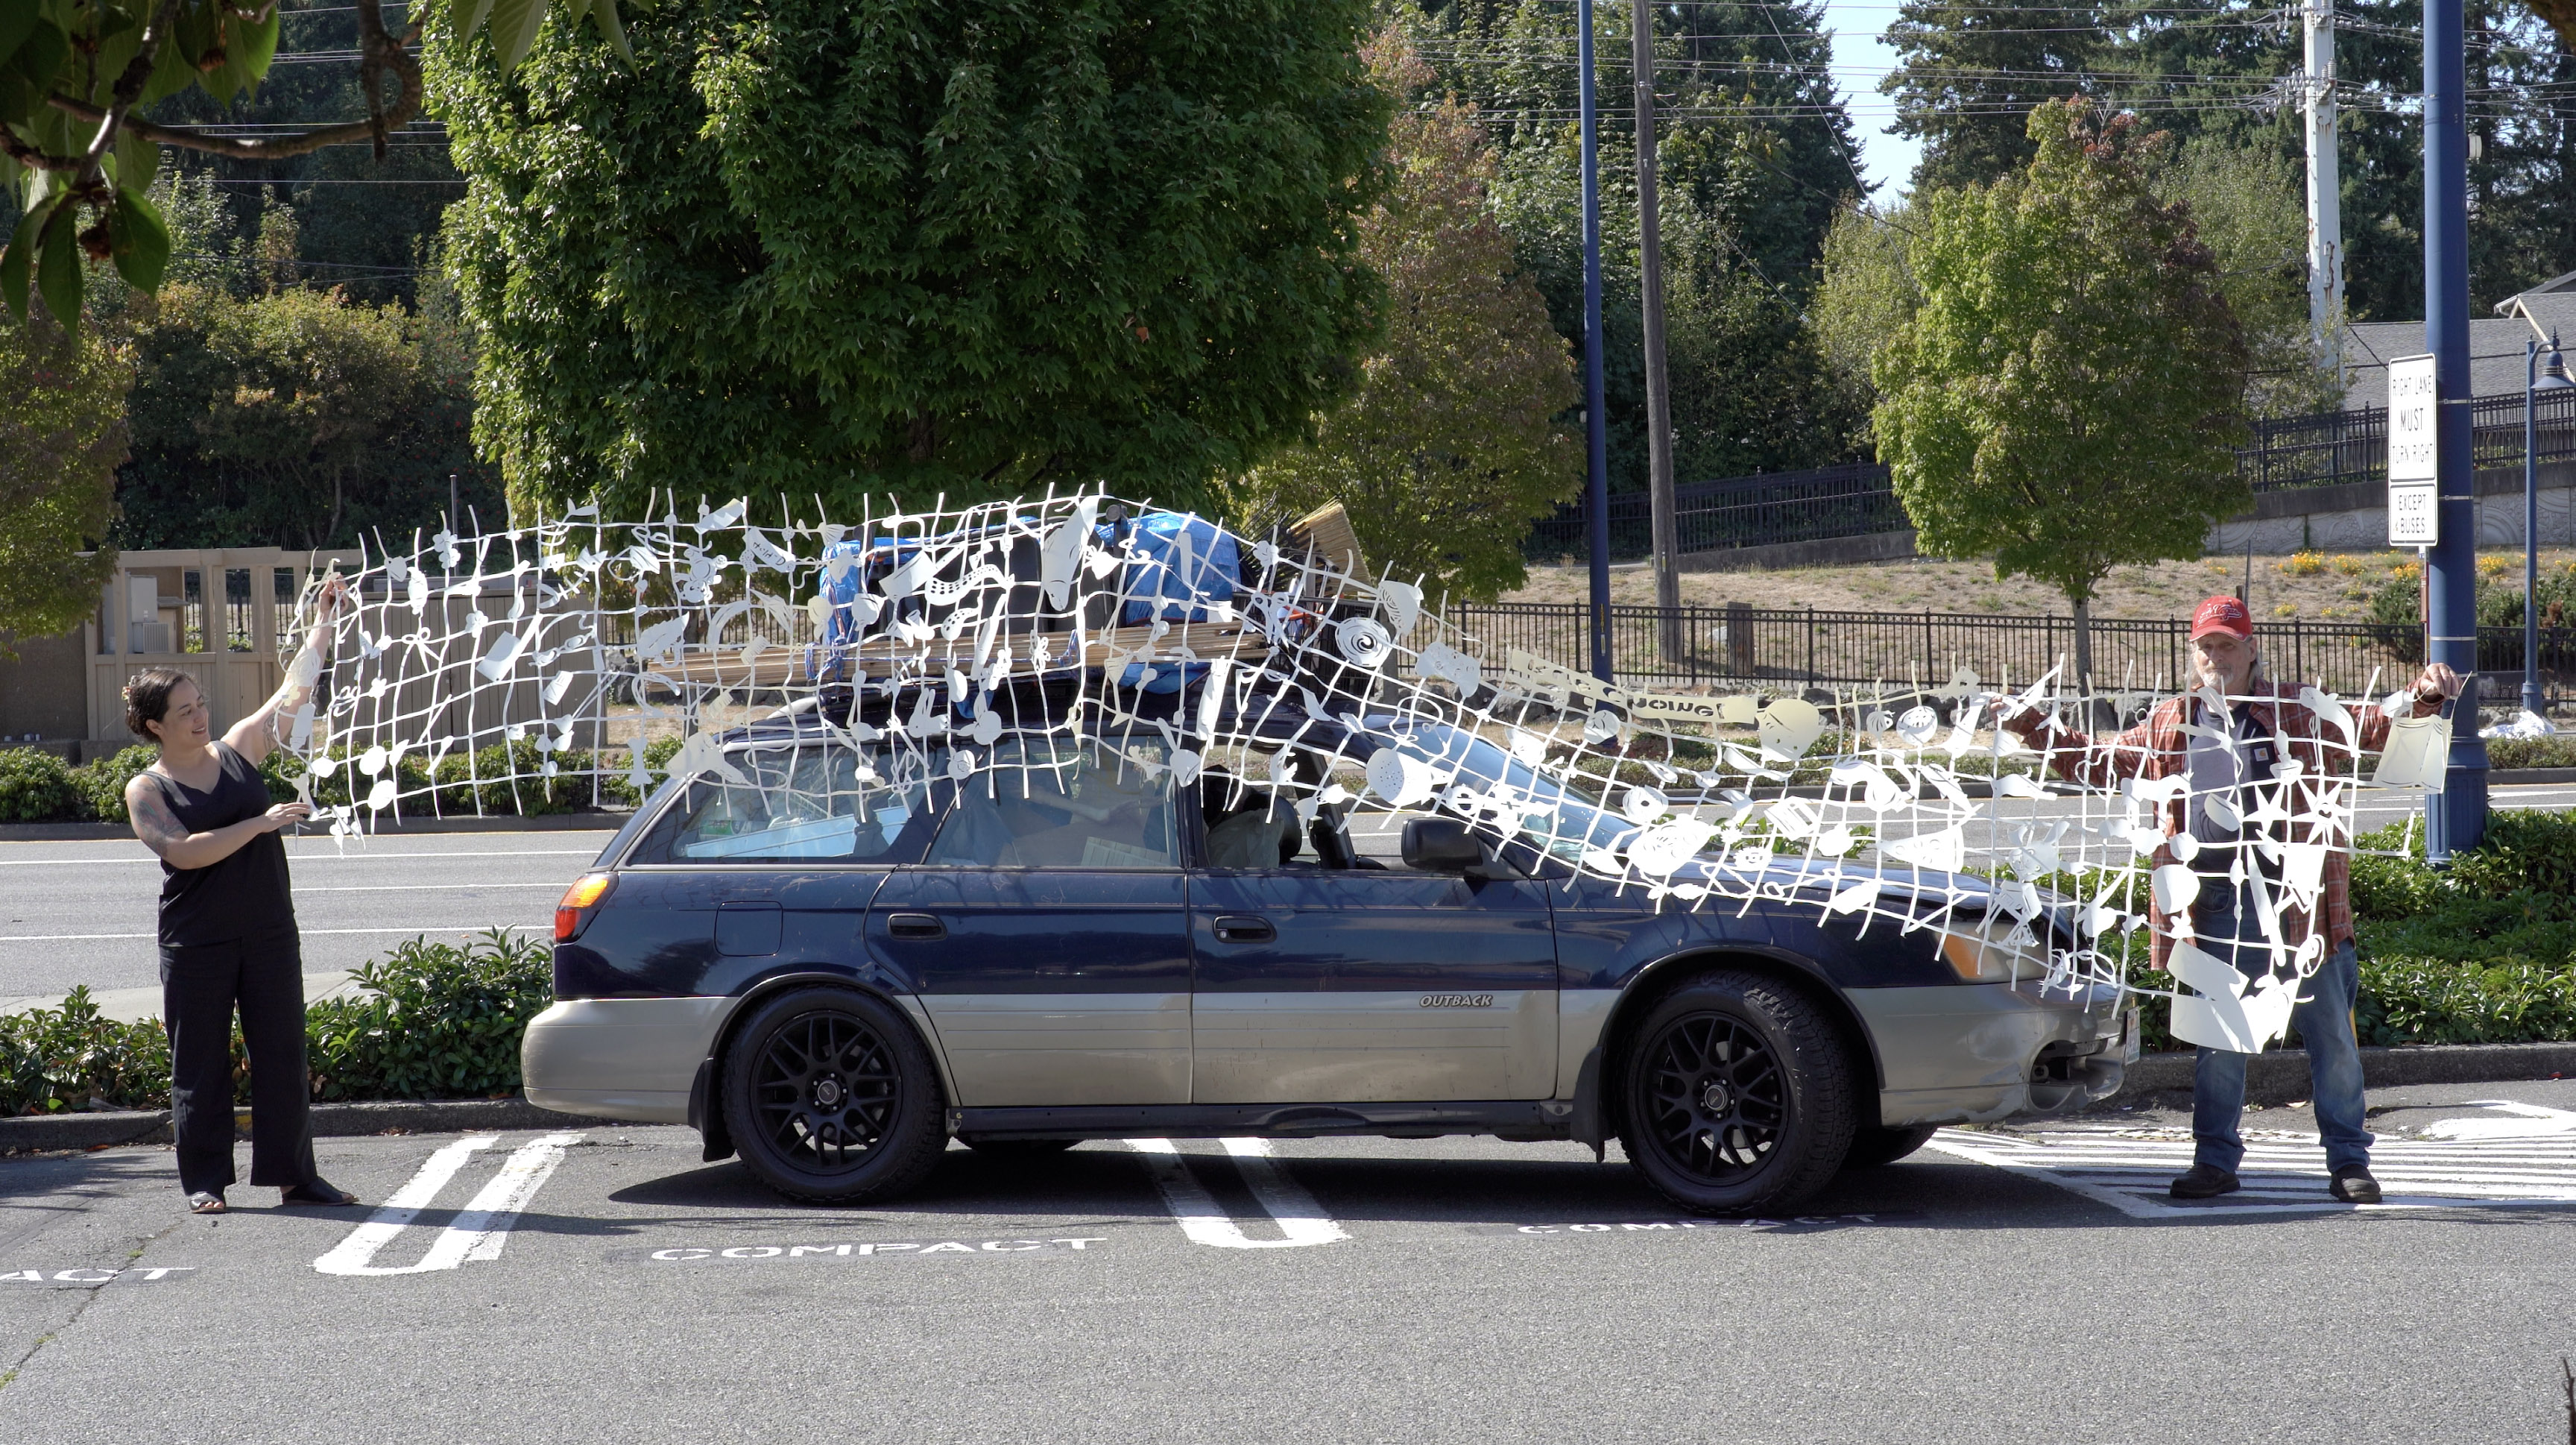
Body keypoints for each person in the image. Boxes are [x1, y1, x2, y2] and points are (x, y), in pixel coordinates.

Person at [1996, 595, 2460, 1204]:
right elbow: (2103, 762)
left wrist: (2426, 692)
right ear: (2194, 654)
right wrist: (2031, 724)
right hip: (2212, 901)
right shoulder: (2172, 721)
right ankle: (2215, 1161)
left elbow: (2373, 725)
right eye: (2206, 647)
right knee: (2218, 1043)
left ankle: (2350, 1161)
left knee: (2332, 1042)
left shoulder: (2293, 709)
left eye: (2227, 646)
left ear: (2251, 651)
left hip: (2302, 903)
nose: (2216, 658)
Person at [123, 576, 361, 1216]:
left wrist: (323, 621)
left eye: (201, 704)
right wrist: (259, 823)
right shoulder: (147, 790)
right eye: (184, 712)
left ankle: (295, 1176)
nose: (200, 717)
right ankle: (205, 1180)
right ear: (154, 726)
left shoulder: (237, 750)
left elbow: (295, 689)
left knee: (282, 1052)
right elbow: (185, 851)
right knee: (198, 1063)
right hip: (196, 940)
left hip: (267, 929)